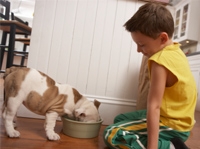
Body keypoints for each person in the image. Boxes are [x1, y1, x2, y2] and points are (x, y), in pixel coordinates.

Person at [103, 2, 197, 149]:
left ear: (163, 38)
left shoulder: (160, 61)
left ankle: (171, 146)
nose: (138, 50)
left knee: (112, 132)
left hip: (172, 125)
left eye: (142, 44)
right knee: (120, 119)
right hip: (180, 122)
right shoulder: (176, 50)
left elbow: (154, 107)